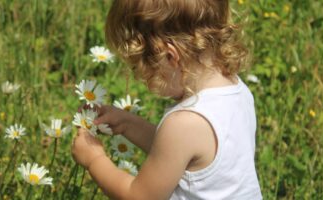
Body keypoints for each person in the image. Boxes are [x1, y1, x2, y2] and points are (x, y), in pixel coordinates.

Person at [71, 0, 263, 199]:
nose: (140, 79)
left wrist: (94, 159)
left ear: (170, 57)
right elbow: (177, 153)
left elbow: (139, 196)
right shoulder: (236, 90)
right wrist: (128, 123)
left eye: (140, 69)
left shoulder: (184, 124)